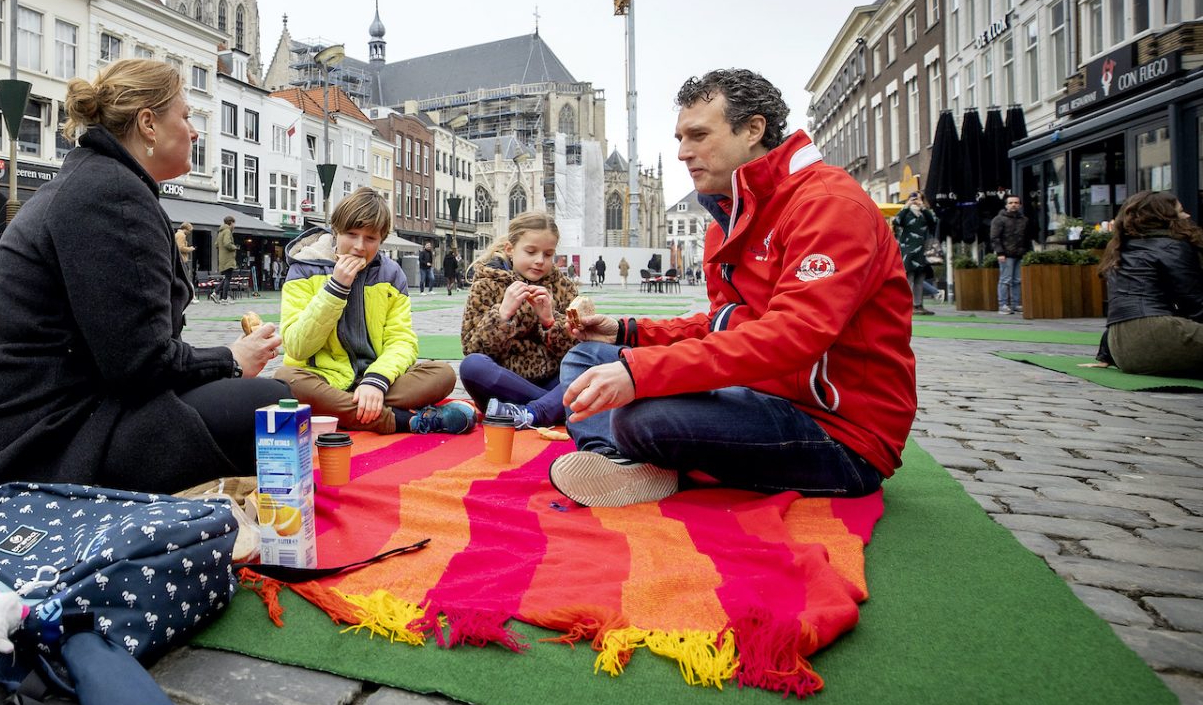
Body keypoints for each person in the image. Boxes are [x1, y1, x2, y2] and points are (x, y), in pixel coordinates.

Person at [554, 68, 915, 508]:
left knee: (639, 416)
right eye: (679, 139)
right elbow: (722, 325)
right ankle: (617, 463)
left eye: (699, 135)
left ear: (753, 129)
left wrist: (641, 373)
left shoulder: (828, 204)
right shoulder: (727, 221)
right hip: (757, 395)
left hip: (838, 432)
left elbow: (795, 335)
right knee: (588, 356)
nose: (684, 152)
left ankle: (628, 454)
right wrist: (626, 333)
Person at [0, 59, 289, 504]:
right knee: (273, 407)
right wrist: (230, 360)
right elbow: (139, 364)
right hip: (36, 443)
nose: (194, 132)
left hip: (28, 427)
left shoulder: (99, 181)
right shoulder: (112, 194)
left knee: (257, 401)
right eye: (185, 116)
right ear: (148, 124)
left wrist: (223, 366)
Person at [275, 187, 473, 435]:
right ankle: (403, 421)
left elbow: (401, 341)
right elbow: (297, 347)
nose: (359, 246)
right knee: (285, 381)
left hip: (378, 380)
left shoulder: (391, 274)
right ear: (336, 231)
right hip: (323, 379)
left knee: (442, 374)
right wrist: (335, 289)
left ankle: (345, 410)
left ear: (381, 240)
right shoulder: (304, 269)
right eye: (352, 234)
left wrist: (376, 380)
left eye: (370, 239)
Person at [458, 212, 581, 428]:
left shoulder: (565, 287)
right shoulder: (487, 284)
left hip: (554, 379)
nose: (540, 261)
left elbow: (579, 349)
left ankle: (534, 411)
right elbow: (472, 348)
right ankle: (556, 407)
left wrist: (550, 322)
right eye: (531, 252)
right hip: (503, 386)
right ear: (510, 250)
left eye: (548, 254)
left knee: (598, 359)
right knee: (472, 366)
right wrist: (502, 315)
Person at [1095, 191, 1203, 376]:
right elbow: (1193, 302)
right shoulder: (1172, 246)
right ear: (1165, 217)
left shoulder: (1121, 248)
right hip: (1157, 338)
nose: (1187, 216)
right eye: (1181, 211)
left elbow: (1121, 308)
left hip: (1122, 349)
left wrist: (1105, 354)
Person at [892, 191, 939, 316]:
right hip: (908, 251)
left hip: (923, 251)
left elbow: (933, 221)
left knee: (920, 279)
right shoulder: (906, 213)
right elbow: (896, 221)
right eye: (913, 198)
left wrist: (923, 207)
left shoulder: (926, 213)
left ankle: (918, 305)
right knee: (909, 278)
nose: (916, 200)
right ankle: (906, 305)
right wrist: (906, 205)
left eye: (919, 198)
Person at [990, 194, 1032, 314]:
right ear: (1006, 205)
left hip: (1020, 253)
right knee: (1005, 279)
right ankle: (1002, 304)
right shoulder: (999, 219)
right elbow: (995, 237)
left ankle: (1015, 304)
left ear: (1020, 205)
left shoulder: (1024, 219)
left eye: (1016, 203)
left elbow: (1027, 237)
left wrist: (1027, 251)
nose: (1013, 205)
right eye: (1011, 203)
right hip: (1006, 254)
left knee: (1017, 280)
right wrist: (1000, 252)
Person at [214, 216, 237, 301]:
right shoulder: (227, 231)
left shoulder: (221, 232)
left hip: (222, 258)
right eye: (234, 223)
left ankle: (216, 294)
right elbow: (227, 243)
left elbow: (216, 244)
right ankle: (224, 298)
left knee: (226, 277)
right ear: (231, 223)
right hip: (228, 259)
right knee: (228, 279)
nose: (234, 225)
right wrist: (234, 247)